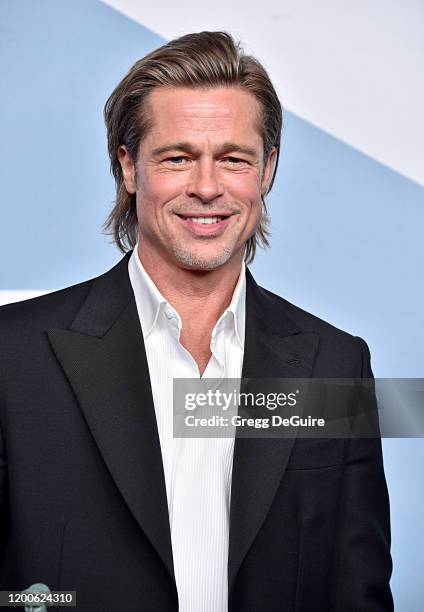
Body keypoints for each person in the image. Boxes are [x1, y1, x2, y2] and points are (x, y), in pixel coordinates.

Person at [0, 31, 393, 611]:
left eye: (233, 159)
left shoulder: (336, 363)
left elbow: (357, 590)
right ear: (128, 167)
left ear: (267, 170)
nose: (207, 188)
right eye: (178, 158)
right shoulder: (13, 356)